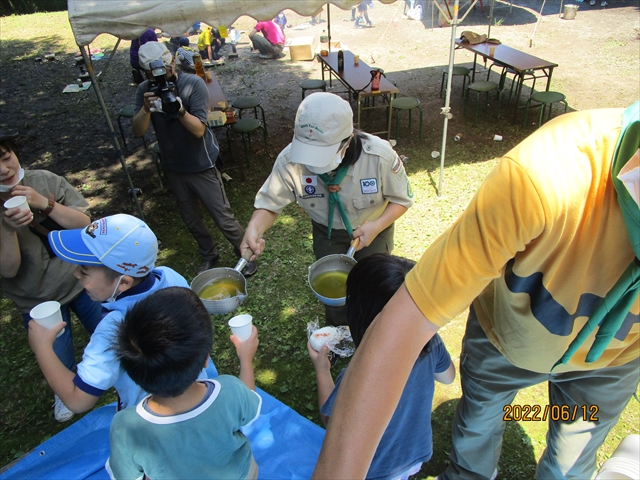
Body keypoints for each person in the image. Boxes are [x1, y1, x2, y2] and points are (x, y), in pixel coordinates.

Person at [311, 104, 640, 480]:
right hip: (505, 345)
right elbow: (404, 322)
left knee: (571, 461)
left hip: (611, 364)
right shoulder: (546, 175)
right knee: (481, 426)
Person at [241, 92, 414, 325]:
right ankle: (339, 335)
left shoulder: (379, 157)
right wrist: (254, 228)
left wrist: (376, 226)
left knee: (375, 288)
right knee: (335, 291)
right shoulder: (290, 161)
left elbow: (401, 199)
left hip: (374, 230)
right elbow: (270, 204)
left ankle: (374, 333)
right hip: (328, 233)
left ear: (347, 140)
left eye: (322, 154)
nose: (313, 162)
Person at [27, 213, 211, 413]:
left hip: (154, 417)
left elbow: (77, 400)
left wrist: (42, 346)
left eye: (84, 270)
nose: (76, 273)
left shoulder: (112, 330)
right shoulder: (168, 275)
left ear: (124, 282)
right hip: (202, 391)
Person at [308, 253, 455, 479]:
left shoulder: (356, 377)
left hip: (373, 469)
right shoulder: (431, 343)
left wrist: (322, 370)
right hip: (414, 456)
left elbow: (332, 424)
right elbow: (448, 377)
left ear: (358, 312)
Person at [106, 287, 261, 480]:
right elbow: (251, 406)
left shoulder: (126, 427)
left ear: (133, 372)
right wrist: (245, 359)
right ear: (206, 358)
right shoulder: (230, 391)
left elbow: (126, 476)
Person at [0, 130, 102, 422]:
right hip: (37, 299)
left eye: (7, 158)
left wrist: (46, 204)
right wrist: (8, 230)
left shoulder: (43, 180)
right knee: (58, 361)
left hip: (80, 280)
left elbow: (85, 224)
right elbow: (8, 270)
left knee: (115, 333)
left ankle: (125, 368)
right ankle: (65, 391)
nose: (4, 170)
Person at [131, 42, 256, 276]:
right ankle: (209, 254)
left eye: (164, 71)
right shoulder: (144, 91)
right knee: (191, 218)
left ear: (171, 63)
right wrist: (146, 110)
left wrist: (178, 110)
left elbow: (198, 130)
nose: (160, 79)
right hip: (173, 165)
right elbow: (138, 131)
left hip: (201, 163)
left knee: (222, 215)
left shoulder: (192, 84)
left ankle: (244, 253)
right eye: (152, 74)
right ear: (145, 73)